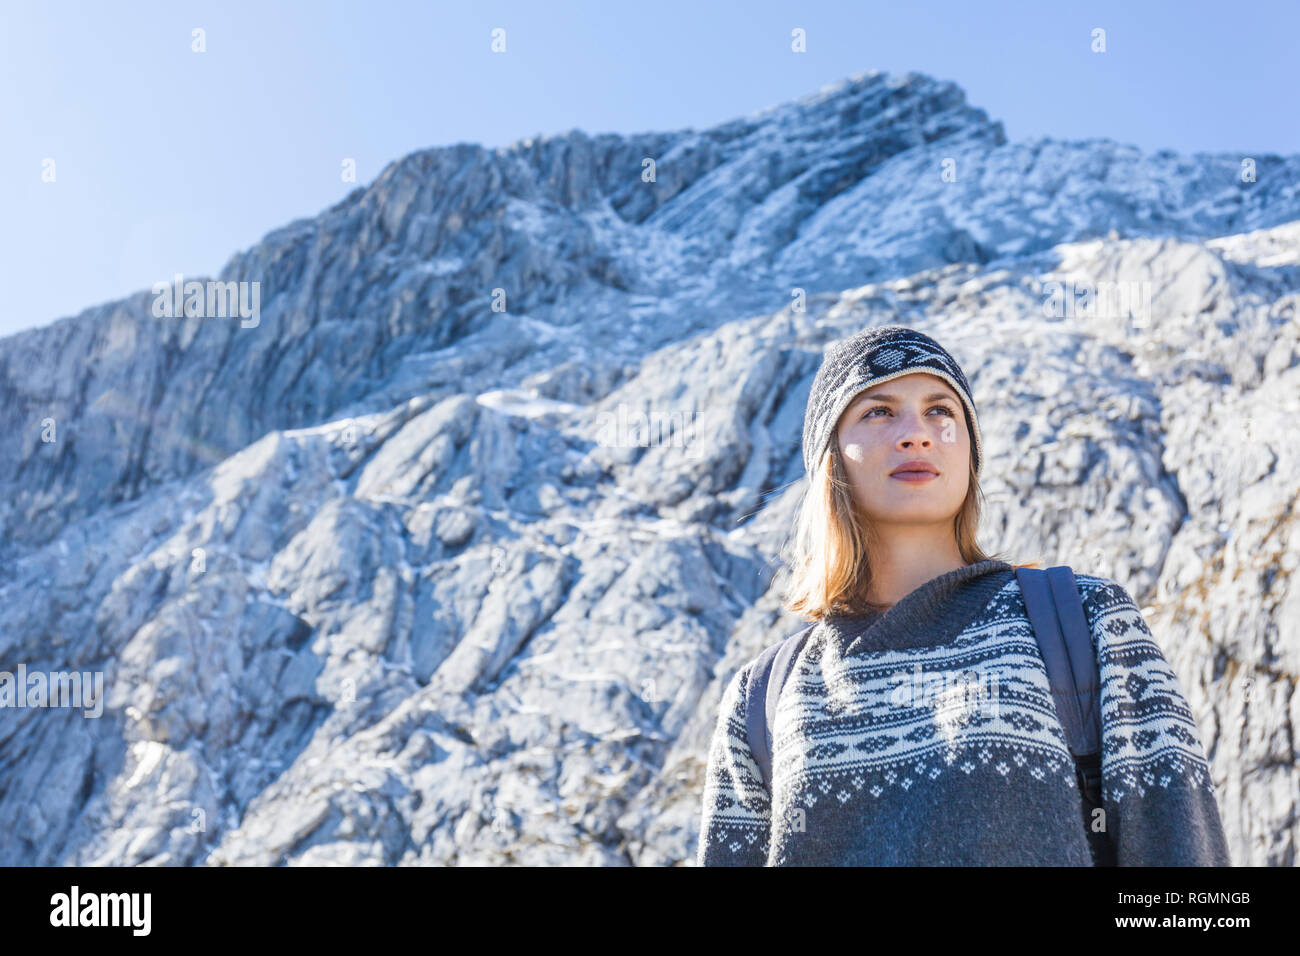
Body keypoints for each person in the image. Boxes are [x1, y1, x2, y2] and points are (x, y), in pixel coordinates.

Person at [696, 325, 1231, 866]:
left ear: (970, 454)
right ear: (829, 455)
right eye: (878, 411)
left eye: (941, 411)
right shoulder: (763, 697)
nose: (917, 434)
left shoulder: (1085, 623)